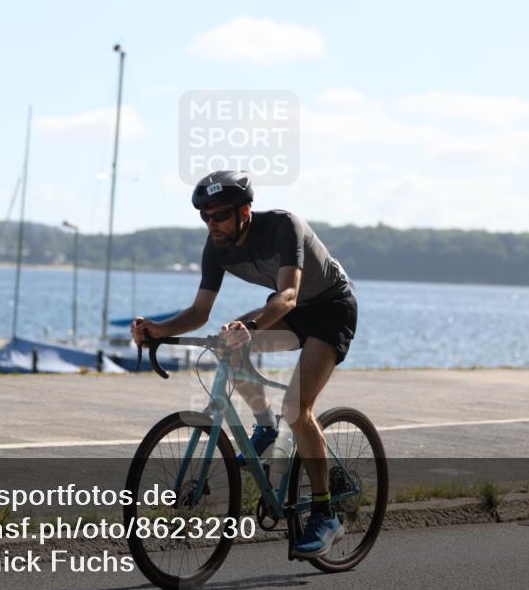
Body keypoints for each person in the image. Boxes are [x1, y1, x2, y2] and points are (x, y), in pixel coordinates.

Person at [130, 170, 358, 558]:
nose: (211, 224)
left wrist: (250, 326)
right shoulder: (215, 246)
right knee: (224, 341)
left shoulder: (283, 226)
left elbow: (287, 295)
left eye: (218, 216)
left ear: (245, 212)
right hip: (291, 310)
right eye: (204, 217)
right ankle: (266, 428)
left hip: (330, 309)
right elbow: (200, 312)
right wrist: (158, 329)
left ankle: (325, 514)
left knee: (297, 408)